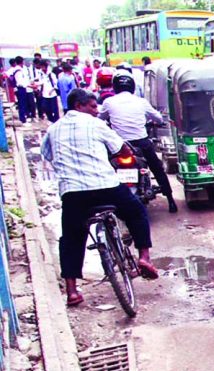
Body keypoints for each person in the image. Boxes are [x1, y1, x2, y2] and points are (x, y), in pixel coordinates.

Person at [40, 89, 159, 307]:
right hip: (105, 186)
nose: (96, 111)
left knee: (72, 239)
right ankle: (144, 257)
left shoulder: (53, 129)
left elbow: (47, 155)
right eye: (93, 107)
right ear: (79, 106)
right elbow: (121, 149)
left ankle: (72, 291)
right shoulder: (95, 124)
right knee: (136, 212)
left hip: (73, 193)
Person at [99, 73, 178, 213]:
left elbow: (100, 118)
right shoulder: (141, 102)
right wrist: (158, 122)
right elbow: (158, 118)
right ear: (132, 87)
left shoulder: (108, 102)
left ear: (115, 87)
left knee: (106, 168)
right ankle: (171, 201)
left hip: (119, 145)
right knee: (157, 168)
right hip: (141, 143)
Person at [10, 57, 35, 124]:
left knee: (24, 104)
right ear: (22, 62)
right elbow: (20, 82)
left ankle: (24, 117)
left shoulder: (20, 69)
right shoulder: (18, 70)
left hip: (22, 88)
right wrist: (30, 86)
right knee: (22, 104)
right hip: (20, 89)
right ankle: (23, 120)